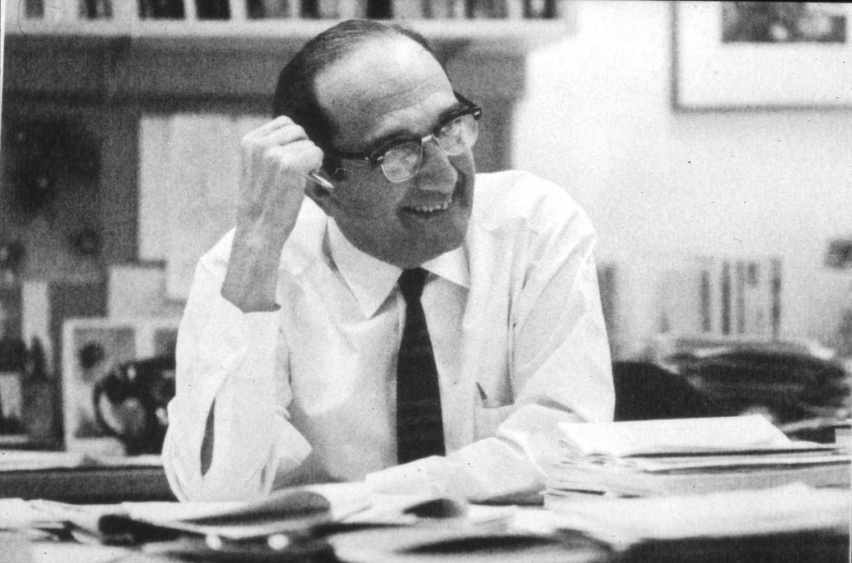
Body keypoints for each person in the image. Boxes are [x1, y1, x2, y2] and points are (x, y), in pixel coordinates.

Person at [162, 19, 614, 503]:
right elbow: (214, 493)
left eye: (450, 128)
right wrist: (255, 251)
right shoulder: (247, 265)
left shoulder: (534, 229)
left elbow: (568, 447)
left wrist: (375, 496)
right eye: (398, 154)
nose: (444, 175)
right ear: (321, 187)